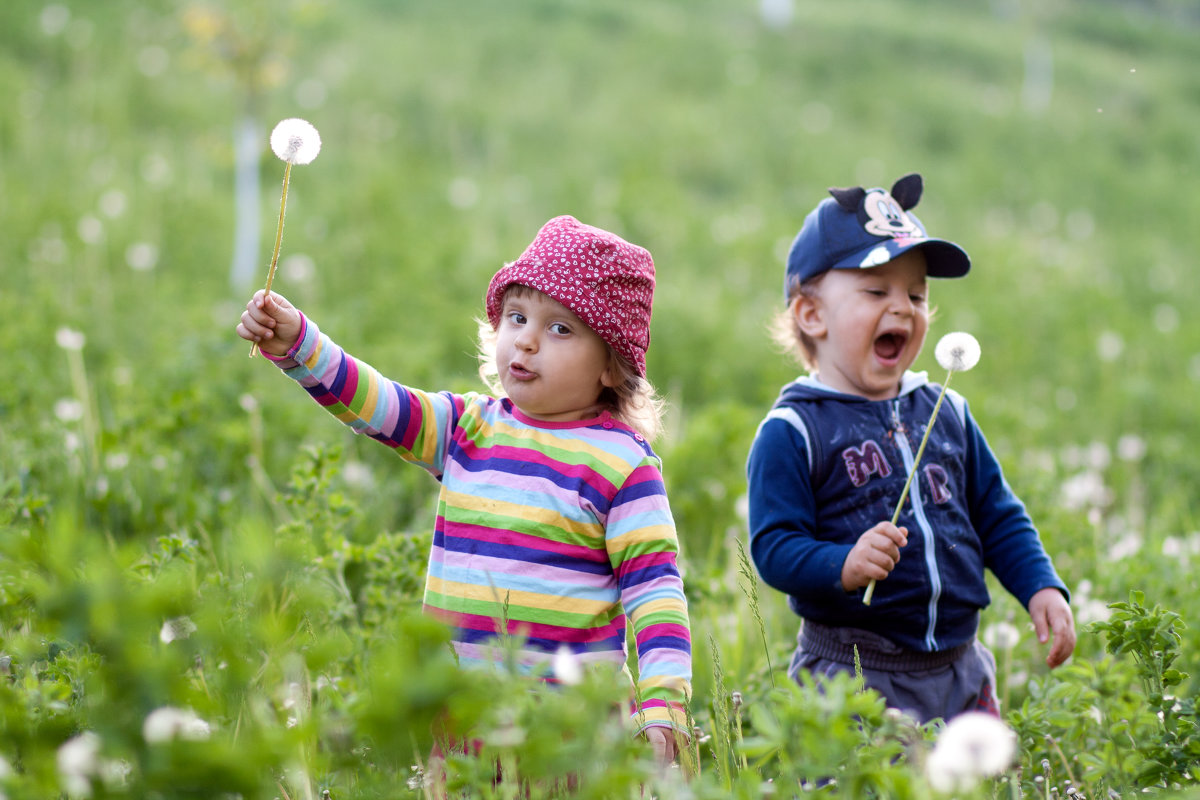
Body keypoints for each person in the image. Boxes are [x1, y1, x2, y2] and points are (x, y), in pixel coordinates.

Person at [237, 215, 692, 764]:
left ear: (612, 368)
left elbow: (654, 593)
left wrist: (665, 708)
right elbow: (378, 405)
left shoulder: (621, 464)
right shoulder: (466, 429)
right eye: (517, 317)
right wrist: (301, 344)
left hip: (571, 742)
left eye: (560, 329)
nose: (525, 340)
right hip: (459, 730)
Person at [746, 173, 1076, 724]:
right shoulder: (793, 430)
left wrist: (1041, 584)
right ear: (812, 314)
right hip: (855, 671)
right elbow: (774, 547)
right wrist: (841, 563)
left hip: (960, 664)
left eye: (917, 294)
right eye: (876, 291)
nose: (903, 308)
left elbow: (997, 515)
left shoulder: (947, 412)